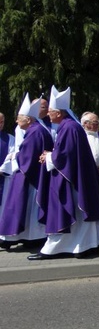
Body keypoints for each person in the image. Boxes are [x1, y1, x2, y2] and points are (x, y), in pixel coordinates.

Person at [29, 87, 99, 260]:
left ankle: (60, 248)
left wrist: (49, 156)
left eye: (51, 112)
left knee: (67, 211)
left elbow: (65, 155)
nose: (48, 115)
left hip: (71, 179)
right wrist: (50, 155)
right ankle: (84, 245)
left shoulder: (69, 128)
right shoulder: (69, 126)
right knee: (80, 214)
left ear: (58, 113)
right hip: (76, 177)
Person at [0, 95, 52, 249]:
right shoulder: (36, 129)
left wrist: (15, 156)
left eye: (19, 118)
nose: (16, 121)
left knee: (22, 206)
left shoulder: (35, 132)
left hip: (29, 177)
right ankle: (28, 237)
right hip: (33, 175)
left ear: (28, 119)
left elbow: (27, 156)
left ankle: (28, 238)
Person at [0, 112, 16, 198]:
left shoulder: (10, 138)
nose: (0, 124)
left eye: (2, 122)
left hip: (2, 176)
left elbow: (11, 156)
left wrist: (1, 169)